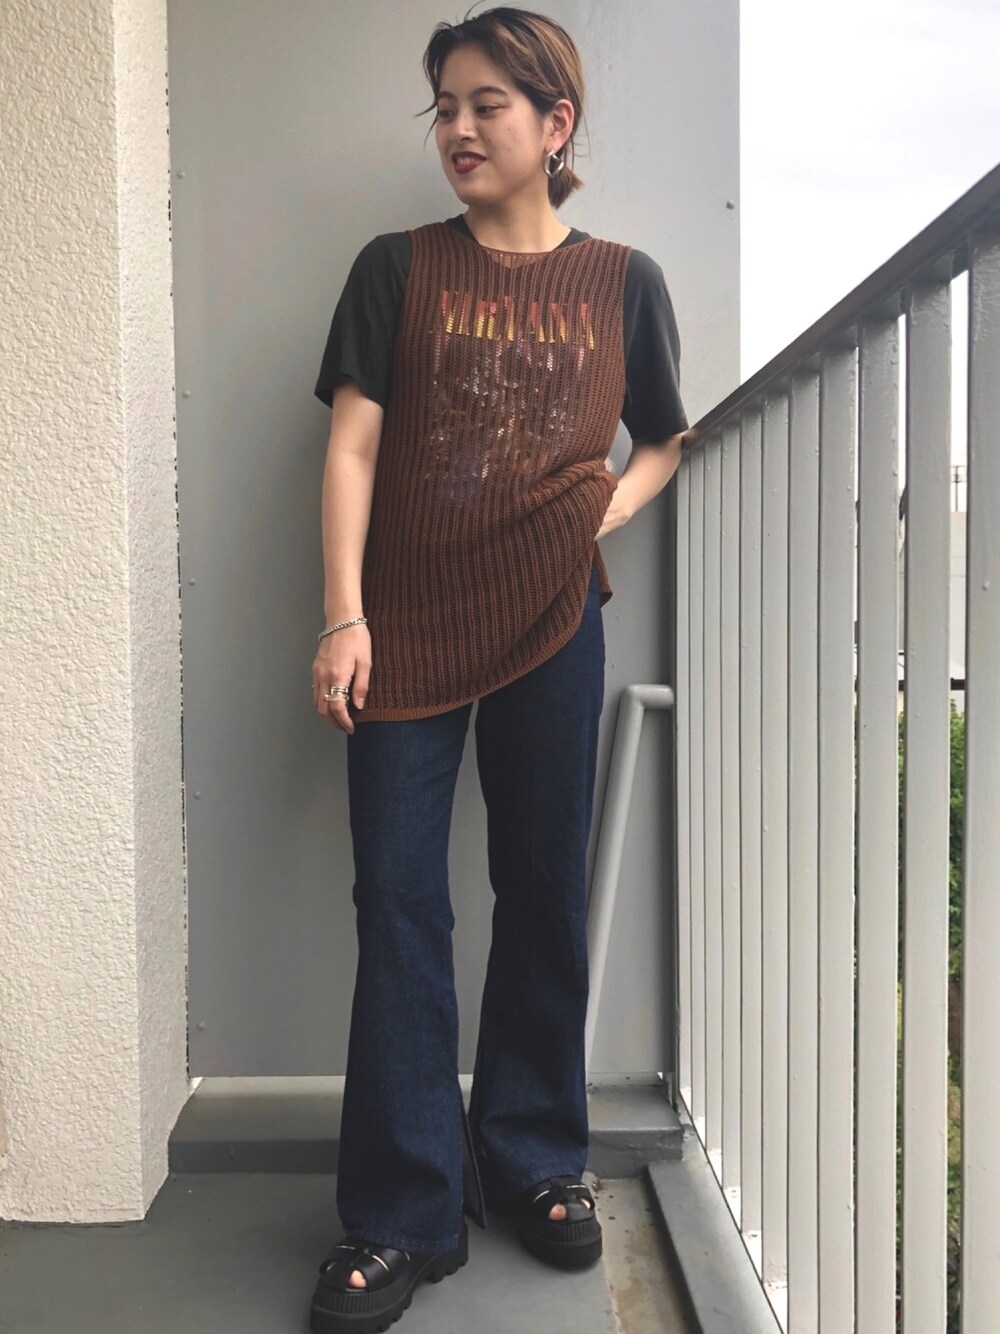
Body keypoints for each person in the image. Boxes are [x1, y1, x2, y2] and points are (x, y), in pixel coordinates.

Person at [307, 7, 688, 1331]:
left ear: (554, 123)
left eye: (487, 105)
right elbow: (352, 448)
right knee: (399, 899)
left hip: (553, 620)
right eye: (445, 108)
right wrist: (343, 616)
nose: (459, 130)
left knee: (540, 885)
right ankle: (400, 1210)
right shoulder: (395, 268)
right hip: (404, 623)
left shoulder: (624, 280)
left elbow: (664, 437)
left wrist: (602, 512)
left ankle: (533, 1157)